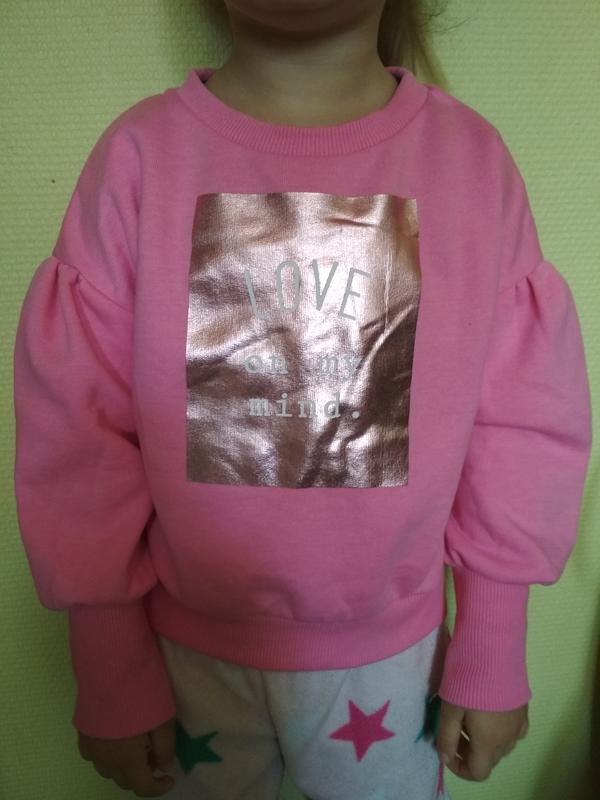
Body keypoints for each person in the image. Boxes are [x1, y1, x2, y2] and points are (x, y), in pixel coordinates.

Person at [12, 1, 592, 798]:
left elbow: (522, 422)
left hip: (393, 666)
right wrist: (107, 652)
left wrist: (493, 641)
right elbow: (78, 427)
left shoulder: (470, 164)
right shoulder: (139, 159)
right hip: (183, 660)